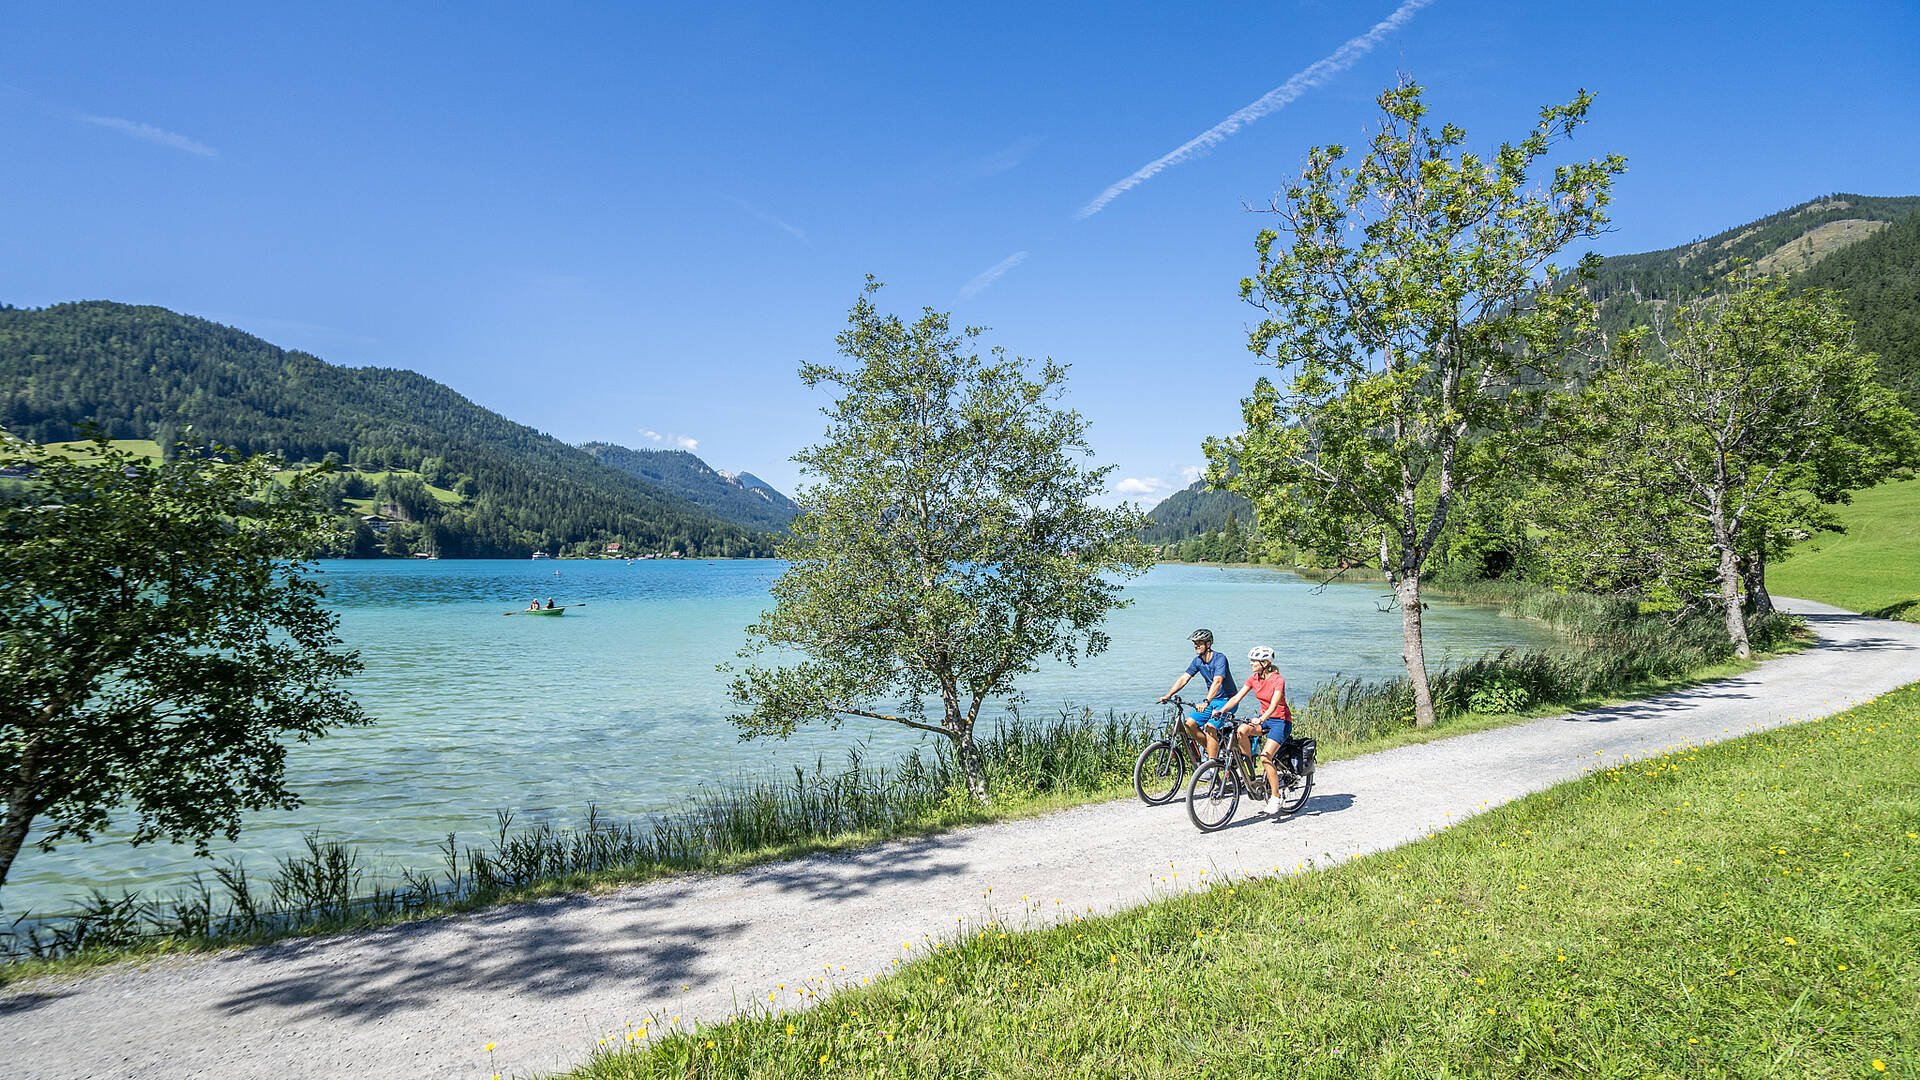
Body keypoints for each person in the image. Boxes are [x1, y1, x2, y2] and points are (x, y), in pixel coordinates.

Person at [1220, 645, 1293, 814]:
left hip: (1280, 722)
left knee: (1266, 757)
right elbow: (1237, 697)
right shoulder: (1254, 678)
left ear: (1265, 663)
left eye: (1254, 660)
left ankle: (1275, 797)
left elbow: (1275, 703)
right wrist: (1221, 710)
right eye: (1251, 660)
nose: (1251, 663)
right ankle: (1248, 765)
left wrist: (1262, 718)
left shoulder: (1277, 679)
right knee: (1242, 730)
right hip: (1265, 721)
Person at [1158, 628, 1238, 764]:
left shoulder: (1220, 658)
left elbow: (1217, 681)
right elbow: (1184, 678)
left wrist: (1206, 701)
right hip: (1211, 701)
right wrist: (1168, 694)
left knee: (1210, 727)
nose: (1196, 646)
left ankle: (1213, 767)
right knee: (1190, 723)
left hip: (1227, 701)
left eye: (1199, 643)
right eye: (1194, 643)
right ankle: (1212, 750)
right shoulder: (1197, 661)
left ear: (1208, 644)